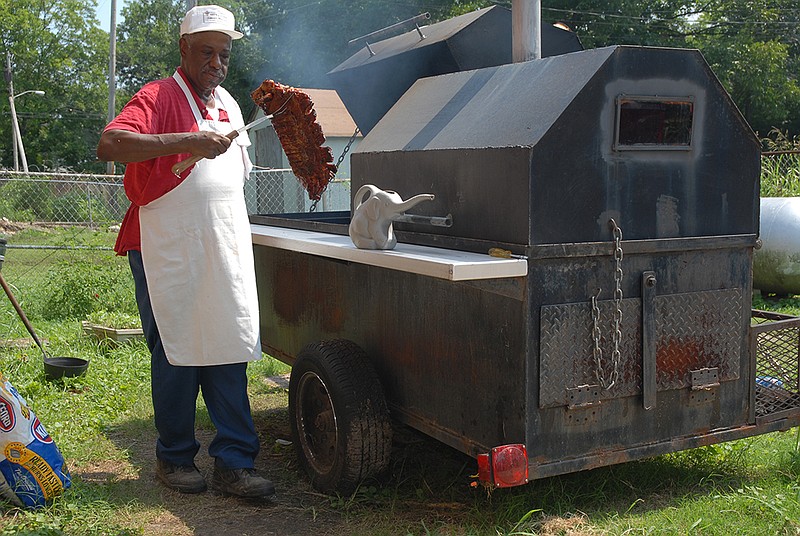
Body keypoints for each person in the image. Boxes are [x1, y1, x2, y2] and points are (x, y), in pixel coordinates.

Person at [96, 5, 274, 499]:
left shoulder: (231, 104)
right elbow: (111, 144)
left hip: (222, 249)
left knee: (228, 347)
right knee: (177, 351)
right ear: (183, 50)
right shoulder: (158, 96)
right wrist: (189, 140)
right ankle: (173, 457)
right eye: (205, 51)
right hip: (167, 246)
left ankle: (235, 462)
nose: (216, 62)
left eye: (223, 53)